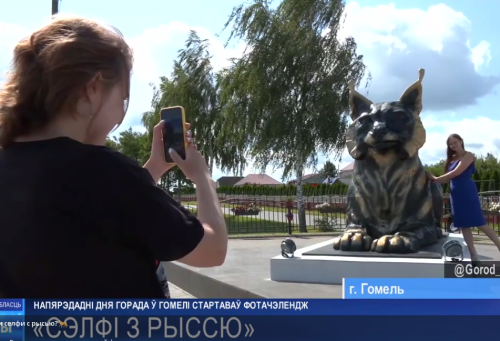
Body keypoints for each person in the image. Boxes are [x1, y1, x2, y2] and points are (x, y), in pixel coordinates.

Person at [0, 15, 227, 298]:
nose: (121, 112)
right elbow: (211, 250)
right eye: (123, 97)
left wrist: (154, 167)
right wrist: (204, 179)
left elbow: (99, 206)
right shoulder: (105, 172)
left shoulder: (11, 163)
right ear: (93, 89)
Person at [427, 134, 500, 261]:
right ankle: (474, 255)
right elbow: (447, 179)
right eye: (450, 144)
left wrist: (436, 179)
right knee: (463, 225)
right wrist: (430, 178)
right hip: (455, 194)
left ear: (461, 141)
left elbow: (456, 173)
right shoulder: (452, 159)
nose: (453, 145)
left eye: (455, 142)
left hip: (467, 192)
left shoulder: (468, 155)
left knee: (480, 222)